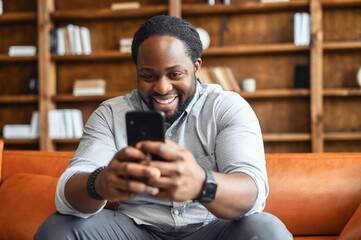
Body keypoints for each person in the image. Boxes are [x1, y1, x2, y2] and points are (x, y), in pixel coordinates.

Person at [35, 15, 292, 240]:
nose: (162, 88)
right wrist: (99, 183)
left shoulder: (226, 108)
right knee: (57, 229)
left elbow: (253, 192)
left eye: (175, 74)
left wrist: (203, 185)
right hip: (134, 229)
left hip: (211, 230)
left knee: (268, 230)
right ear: (137, 70)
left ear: (196, 68)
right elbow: (67, 192)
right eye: (148, 76)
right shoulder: (111, 113)